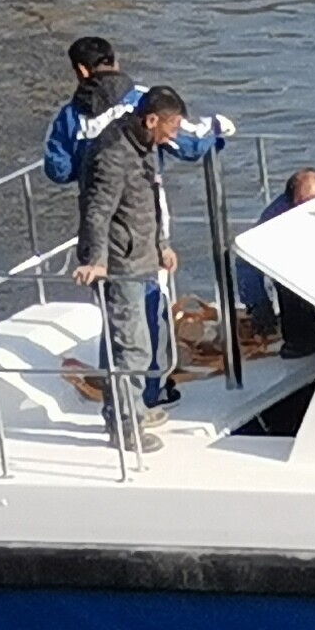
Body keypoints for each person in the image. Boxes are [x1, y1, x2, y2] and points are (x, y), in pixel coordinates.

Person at [46, 33, 234, 400]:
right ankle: (149, 391)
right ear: (115, 61)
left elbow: (57, 168)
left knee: (117, 313)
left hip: (99, 227)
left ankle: (119, 390)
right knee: (149, 304)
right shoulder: (142, 103)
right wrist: (219, 129)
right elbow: (190, 143)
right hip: (142, 223)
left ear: (81, 71)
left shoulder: (70, 116)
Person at [71, 84, 202, 450]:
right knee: (132, 348)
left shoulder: (143, 146)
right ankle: (126, 426)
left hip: (141, 256)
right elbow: (97, 211)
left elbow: (150, 200)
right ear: (152, 119)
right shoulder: (113, 154)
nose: (175, 133)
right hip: (119, 264)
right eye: (173, 126)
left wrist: (161, 246)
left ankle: (128, 413)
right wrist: (96, 262)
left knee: (131, 344)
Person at [236, 164, 315, 359]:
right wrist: (258, 304)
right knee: (285, 275)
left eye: (313, 202)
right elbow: (246, 258)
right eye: (301, 203)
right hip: (305, 255)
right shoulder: (277, 212)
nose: (308, 208)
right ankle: (305, 340)